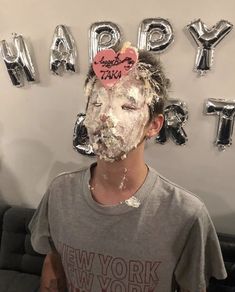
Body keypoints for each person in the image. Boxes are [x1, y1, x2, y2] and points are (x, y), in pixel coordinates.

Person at [29, 45, 227, 292]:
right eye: (97, 103)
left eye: (128, 106)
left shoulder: (187, 215)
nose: (105, 116)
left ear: (154, 125)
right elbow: (53, 267)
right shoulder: (59, 193)